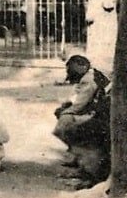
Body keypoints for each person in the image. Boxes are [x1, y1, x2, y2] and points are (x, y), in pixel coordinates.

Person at [53, 55, 111, 186]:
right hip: (98, 112)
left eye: (73, 69)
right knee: (66, 118)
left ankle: (85, 166)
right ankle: (79, 158)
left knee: (65, 123)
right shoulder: (89, 75)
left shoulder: (88, 79)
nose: (71, 74)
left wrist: (65, 112)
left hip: (99, 115)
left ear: (82, 66)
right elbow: (78, 99)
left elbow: (80, 104)